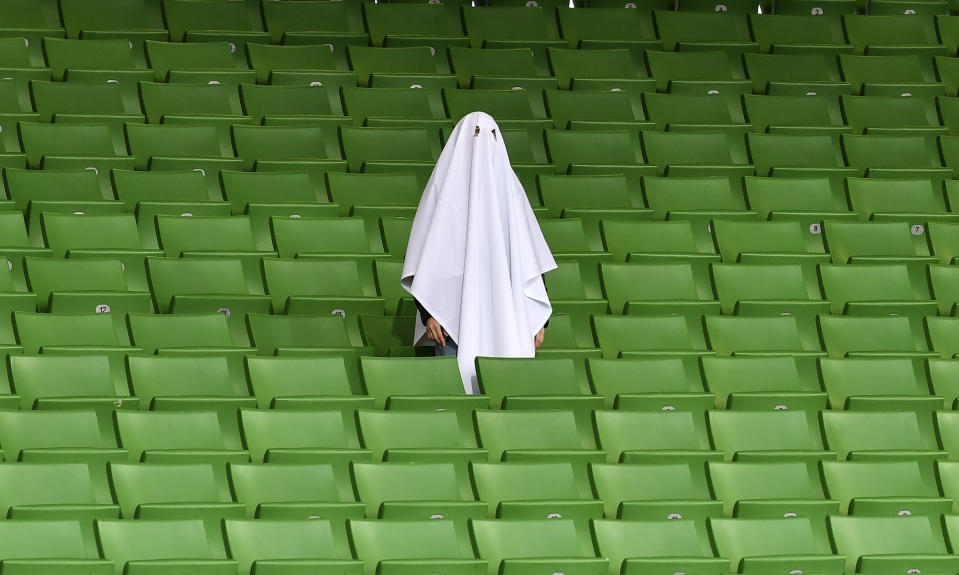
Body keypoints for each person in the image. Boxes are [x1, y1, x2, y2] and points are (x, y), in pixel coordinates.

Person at [401, 111, 557, 394]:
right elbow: (423, 254)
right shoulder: (441, 189)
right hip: (452, 314)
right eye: (474, 134)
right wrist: (427, 313)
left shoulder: (512, 193)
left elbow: (530, 257)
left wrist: (539, 319)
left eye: (491, 135)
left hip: (506, 308)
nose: (483, 142)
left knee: (507, 392)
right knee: (455, 397)